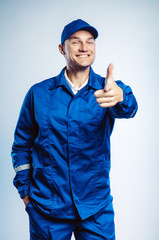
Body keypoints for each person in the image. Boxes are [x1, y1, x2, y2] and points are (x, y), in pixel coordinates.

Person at [11, 19, 138, 240]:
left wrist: (121, 97)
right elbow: (21, 144)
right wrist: (25, 193)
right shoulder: (38, 93)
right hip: (47, 208)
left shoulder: (107, 89)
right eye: (76, 42)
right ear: (62, 48)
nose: (84, 48)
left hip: (95, 207)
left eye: (90, 42)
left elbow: (129, 108)